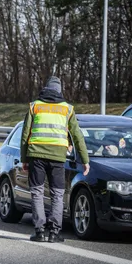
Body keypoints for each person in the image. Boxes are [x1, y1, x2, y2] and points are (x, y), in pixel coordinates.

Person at [20, 76, 90, 243]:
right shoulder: (67, 109)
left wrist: (24, 158)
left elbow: (25, 135)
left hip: (36, 155)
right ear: (60, 91)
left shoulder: (34, 106)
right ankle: (54, 233)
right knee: (57, 195)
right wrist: (85, 160)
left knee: (37, 193)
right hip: (58, 158)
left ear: (45, 88)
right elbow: (77, 136)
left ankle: (39, 232)